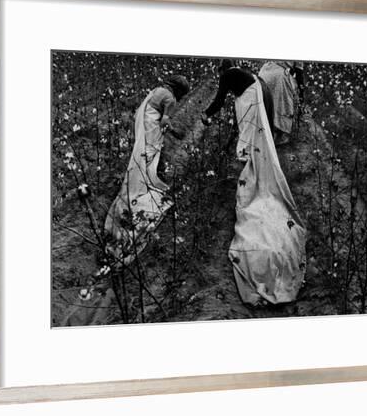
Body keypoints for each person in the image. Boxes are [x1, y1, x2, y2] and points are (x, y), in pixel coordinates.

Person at [203, 59, 307, 306]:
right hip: (258, 96)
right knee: (252, 136)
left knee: (249, 139)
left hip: (253, 98)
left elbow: (219, 99)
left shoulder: (228, 75)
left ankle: (250, 167)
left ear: (222, 69)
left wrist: (206, 115)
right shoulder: (245, 75)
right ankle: (251, 159)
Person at [104, 75, 190, 266]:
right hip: (151, 126)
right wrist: (175, 132)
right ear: (180, 91)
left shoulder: (158, 91)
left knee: (141, 154)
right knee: (149, 155)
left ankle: (141, 176)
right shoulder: (171, 99)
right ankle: (144, 183)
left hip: (143, 123)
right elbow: (164, 121)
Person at [258, 61, 301, 145]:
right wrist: (300, 94)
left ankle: (268, 132)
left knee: (266, 102)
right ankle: (281, 135)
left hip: (264, 72)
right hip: (279, 76)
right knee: (282, 105)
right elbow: (299, 73)